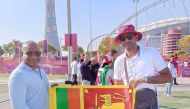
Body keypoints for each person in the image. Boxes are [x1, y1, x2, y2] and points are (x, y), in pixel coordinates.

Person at [113, 24, 172, 109]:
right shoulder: (119, 60)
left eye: (129, 37)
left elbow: (168, 77)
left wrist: (144, 79)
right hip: (128, 104)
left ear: (136, 38)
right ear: (121, 42)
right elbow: (117, 87)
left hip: (149, 103)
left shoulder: (151, 52)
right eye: (123, 38)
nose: (126, 40)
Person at [9, 41, 49, 109]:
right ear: (22, 54)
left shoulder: (41, 71)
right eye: (29, 53)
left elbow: (40, 92)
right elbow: (19, 107)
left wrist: (52, 89)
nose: (34, 56)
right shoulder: (18, 76)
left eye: (37, 53)